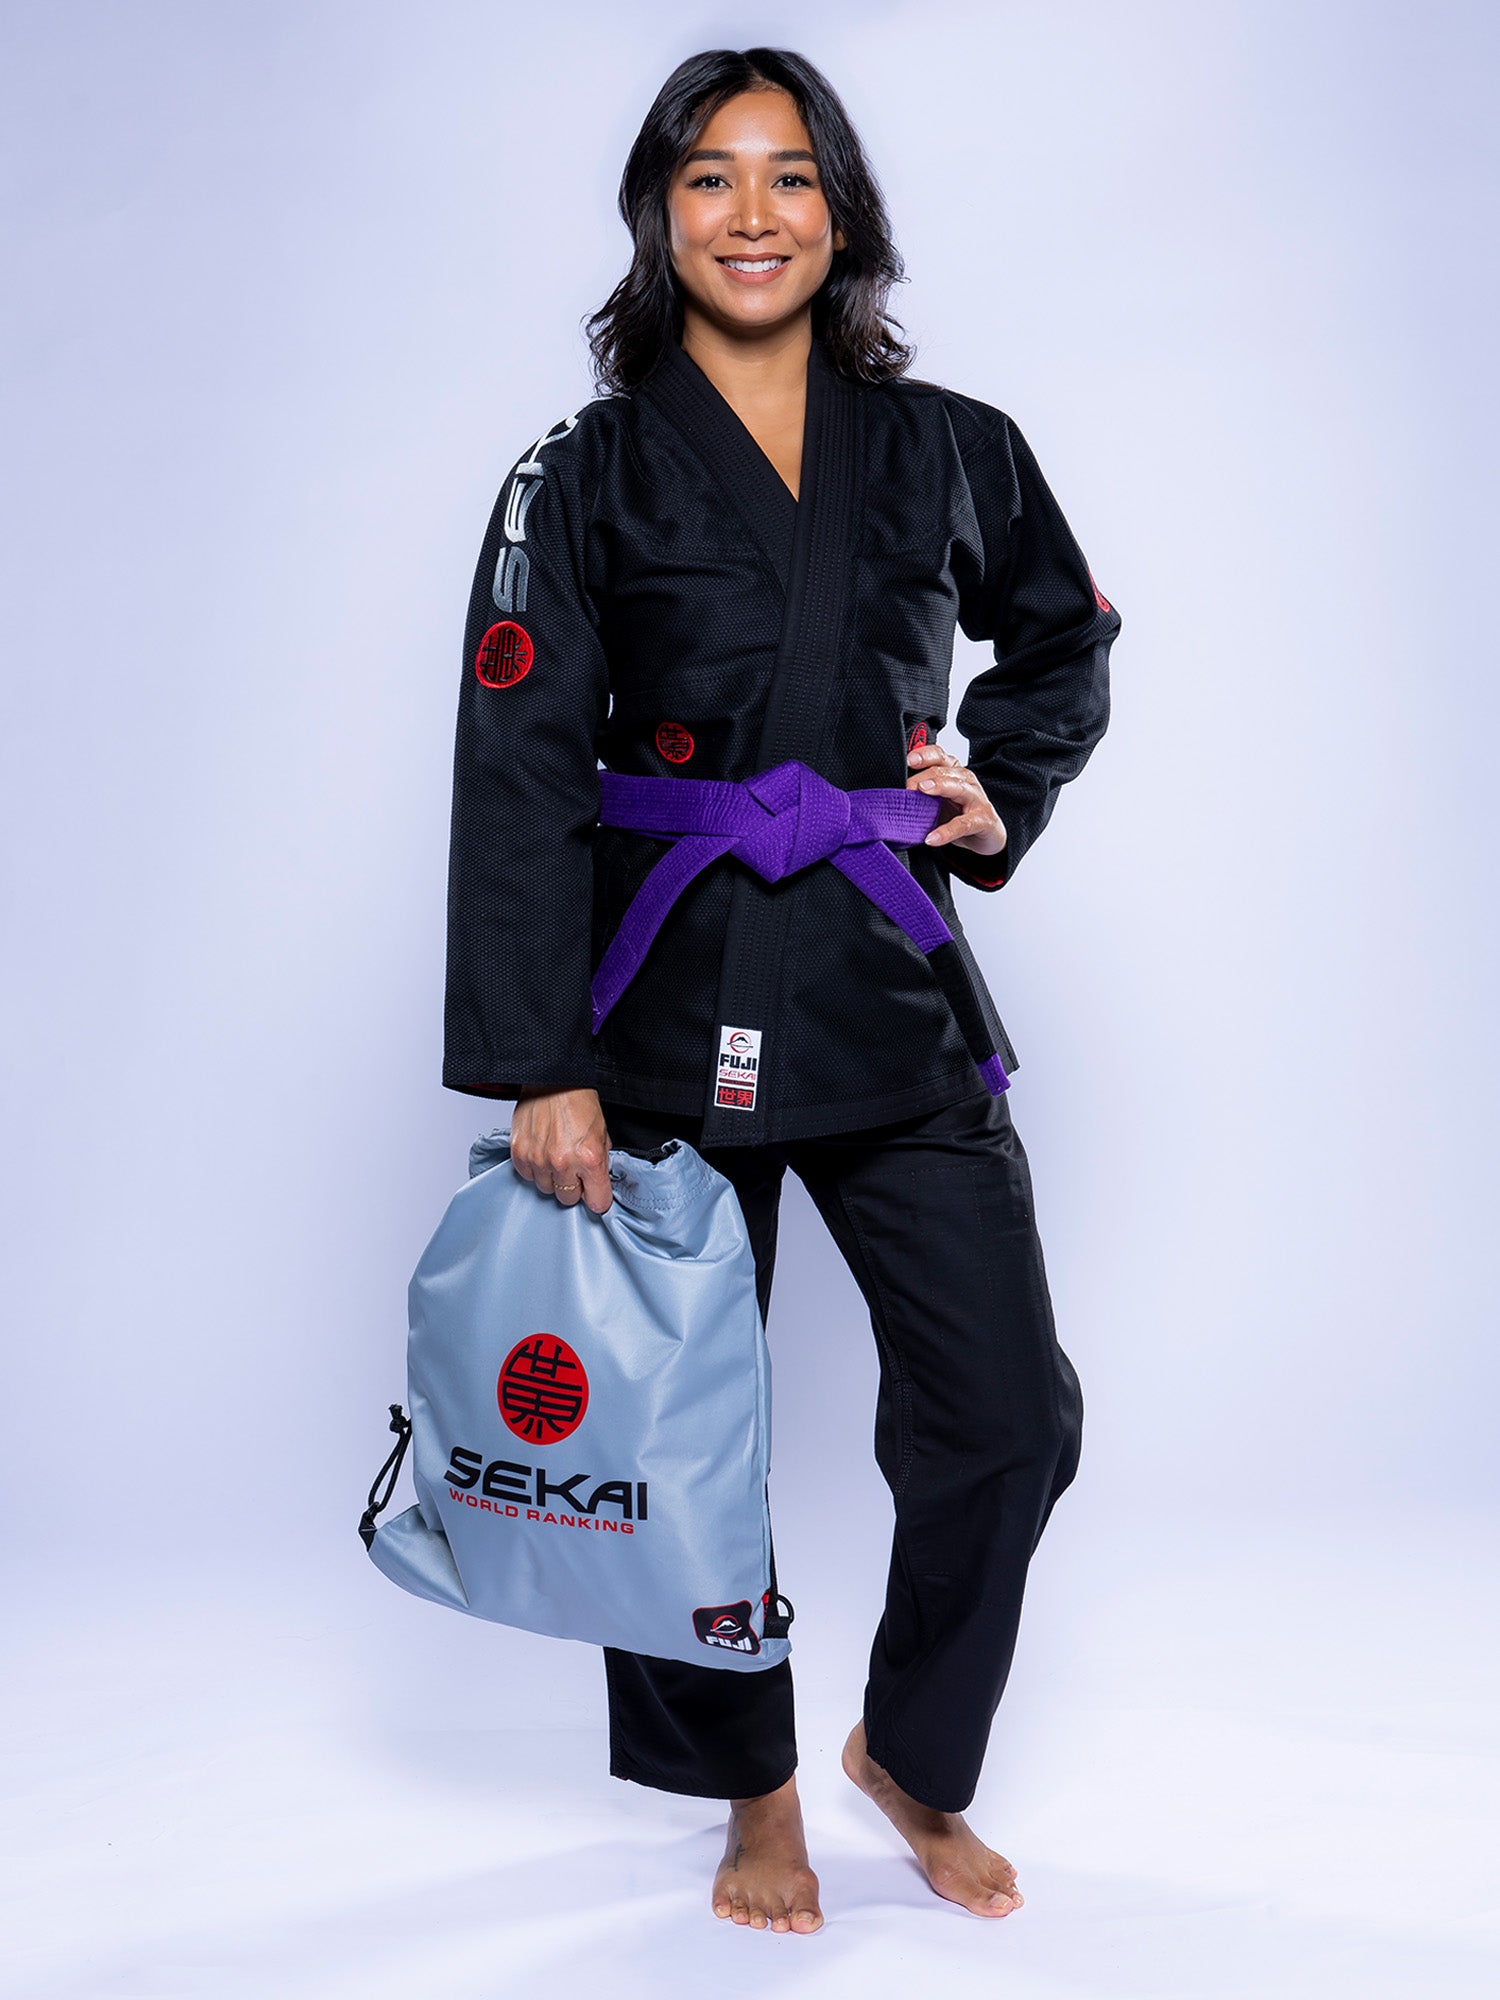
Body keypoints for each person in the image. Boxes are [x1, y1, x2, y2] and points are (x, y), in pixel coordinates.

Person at [443, 46, 1120, 1935]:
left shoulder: (953, 444)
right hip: (662, 1002)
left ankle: (910, 1751)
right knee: (677, 1436)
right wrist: (540, 1062)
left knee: (1008, 1413)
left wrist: (1006, 774)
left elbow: (1063, 638)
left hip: (887, 985)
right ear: (661, 214)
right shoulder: (580, 472)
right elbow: (514, 766)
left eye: (793, 177)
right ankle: (751, 1788)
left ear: (845, 214)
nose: (755, 215)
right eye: (714, 178)